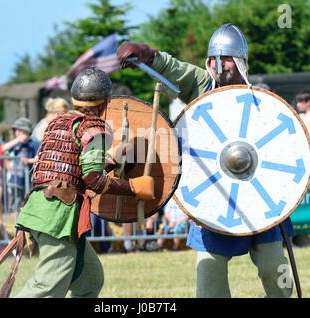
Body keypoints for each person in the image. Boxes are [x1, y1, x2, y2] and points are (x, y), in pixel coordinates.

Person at [118, 23, 294, 298]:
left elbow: (281, 145)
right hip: (214, 199)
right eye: (213, 58)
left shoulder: (259, 99)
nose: (218, 64)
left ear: (240, 62)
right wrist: (148, 56)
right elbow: (175, 69)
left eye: (226, 58)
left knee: (275, 270)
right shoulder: (202, 85)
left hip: (259, 198)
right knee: (208, 276)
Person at [14, 67, 155, 298]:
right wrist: (133, 187)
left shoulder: (59, 123)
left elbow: (72, 170)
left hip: (43, 206)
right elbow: (93, 179)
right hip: (57, 216)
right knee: (48, 286)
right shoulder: (92, 128)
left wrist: (110, 162)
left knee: (90, 280)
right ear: (105, 102)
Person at [4, 118, 39, 214]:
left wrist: (28, 161)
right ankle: (17, 225)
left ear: (26, 131)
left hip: (29, 178)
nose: (17, 133)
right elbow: (2, 149)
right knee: (17, 203)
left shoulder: (34, 143)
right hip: (16, 178)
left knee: (29, 201)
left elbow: (38, 158)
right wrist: (16, 141)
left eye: (19, 130)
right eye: (16, 130)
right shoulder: (16, 144)